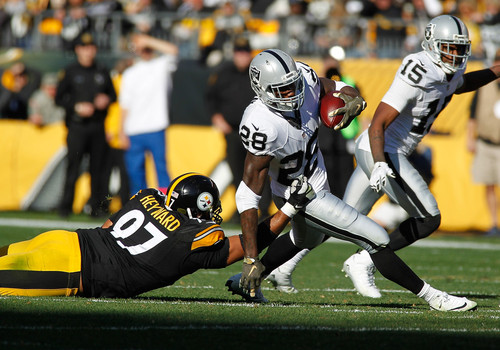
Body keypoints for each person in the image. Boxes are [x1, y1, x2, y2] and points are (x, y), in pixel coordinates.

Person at [225, 48, 477, 311]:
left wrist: (353, 101)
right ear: (261, 90)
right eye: (283, 89)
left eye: (293, 84)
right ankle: (434, 297)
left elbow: (340, 86)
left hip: (318, 180)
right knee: (376, 237)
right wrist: (250, 257)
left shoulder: (306, 79)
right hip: (298, 193)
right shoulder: (260, 124)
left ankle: (248, 281)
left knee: (306, 240)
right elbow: (248, 194)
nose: (293, 93)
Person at [338, 15, 500, 298]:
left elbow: (463, 83)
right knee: (429, 218)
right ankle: (364, 260)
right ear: (432, 44)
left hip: (386, 149)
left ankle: (272, 267)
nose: (456, 54)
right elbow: (378, 122)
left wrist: (497, 70)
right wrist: (379, 164)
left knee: (339, 218)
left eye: (460, 48)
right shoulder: (420, 69)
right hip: (384, 149)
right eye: (450, 47)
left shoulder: (445, 73)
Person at [0, 172, 314, 298]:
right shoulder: (191, 238)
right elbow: (250, 243)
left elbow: (109, 227)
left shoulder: (146, 197)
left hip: (63, 239)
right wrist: (288, 209)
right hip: (75, 270)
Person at [206, 36, 272, 223]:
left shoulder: (258, 73)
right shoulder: (223, 73)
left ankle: (264, 209)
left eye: (245, 53)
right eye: (238, 53)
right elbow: (210, 97)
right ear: (234, 54)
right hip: (233, 131)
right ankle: (241, 209)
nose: (242, 57)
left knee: (260, 169)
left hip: (256, 132)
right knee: (237, 171)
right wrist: (216, 117)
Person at [55, 32, 117, 218]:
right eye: (84, 48)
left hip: (97, 126)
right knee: (73, 166)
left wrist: (105, 100)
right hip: (77, 126)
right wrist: (76, 106)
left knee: (98, 169)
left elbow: (113, 95)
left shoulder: (102, 70)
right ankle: (65, 207)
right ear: (78, 50)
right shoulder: (71, 71)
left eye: (91, 48)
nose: (89, 52)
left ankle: (97, 207)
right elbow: (59, 98)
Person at [119, 33, 178, 195]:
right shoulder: (129, 73)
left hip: (156, 127)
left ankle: (166, 208)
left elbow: (173, 50)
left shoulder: (161, 65)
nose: (145, 51)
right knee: (135, 174)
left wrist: (148, 40)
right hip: (133, 130)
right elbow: (125, 105)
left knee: (161, 171)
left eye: (147, 49)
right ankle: (141, 207)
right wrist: (121, 131)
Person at [466, 48, 500, 237]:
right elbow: (472, 115)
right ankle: (493, 223)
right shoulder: (484, 86)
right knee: (488, 184)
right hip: (486, 142)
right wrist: (469, 138)